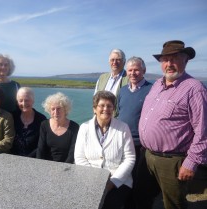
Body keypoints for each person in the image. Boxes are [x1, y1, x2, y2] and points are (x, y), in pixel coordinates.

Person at [135, 40, 207, 209]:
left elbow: (203, 131)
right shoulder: (157, 85)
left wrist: (191, 162)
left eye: (174, 58)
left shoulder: (194, 89)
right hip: (147, 156)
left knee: (173, 204)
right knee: (141, 197)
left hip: (172, 161)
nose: (169, 64)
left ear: (186, 60)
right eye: (165, 60)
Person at [75, 91, 135, 209]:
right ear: (94, 109)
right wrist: (94, 180)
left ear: (113, 109)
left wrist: (112, 182)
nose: (105, 109)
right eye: (101, 105)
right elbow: (79, 157)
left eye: (109, 106)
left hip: (118, 181)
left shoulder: (123, 128)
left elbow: (129, 158)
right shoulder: (84, 128)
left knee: (110, 204)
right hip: (89, 179)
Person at [117, 56, 153, 209]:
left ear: (143, 71)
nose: (133, 73)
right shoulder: (123, 90)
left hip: (140, 145)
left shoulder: (151, 90)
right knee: (125, 176)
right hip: (123, 141)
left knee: (139, 180)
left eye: (136, 69)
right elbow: (120, 112)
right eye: (130, 70)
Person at [36, 92, 79, 163]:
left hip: (66, 167)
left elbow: (72, 154)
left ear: (65, 110)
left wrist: (63, 170)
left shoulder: (74, 127)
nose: (56, 112)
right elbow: (40, 149)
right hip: (46, 166)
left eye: (59, 108)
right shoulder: (44, 125)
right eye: (53, 109)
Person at [11, 87, 46, 157]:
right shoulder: (12, 117)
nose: (24, 103)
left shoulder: (42, 119)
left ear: (33, 101)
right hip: (12, 158)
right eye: (20, 100)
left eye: (27, 100)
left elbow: (41, 145)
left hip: (33, 159)